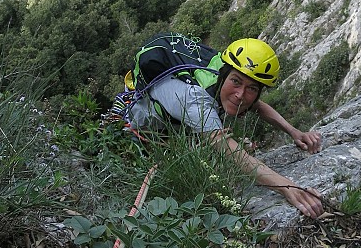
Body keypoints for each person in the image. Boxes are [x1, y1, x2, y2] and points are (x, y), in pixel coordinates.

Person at [123, 36, 325, 219]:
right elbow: (228, 150)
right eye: (236, 82)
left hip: (176, 126)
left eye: (252, 88)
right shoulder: (194, 100)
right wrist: (288, 187)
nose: (240, 94)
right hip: (142, 131)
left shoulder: (223, 73)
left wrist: (294, 132)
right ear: (224, 75)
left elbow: (257, 106)